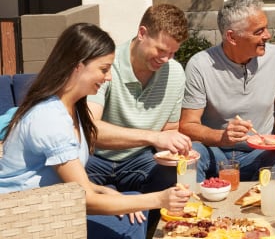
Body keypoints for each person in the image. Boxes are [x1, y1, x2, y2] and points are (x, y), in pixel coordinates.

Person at [0, 23, 191, 239]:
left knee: (132, 211)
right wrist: (159, 199)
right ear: (77, 66)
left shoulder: (72, 109)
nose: (109, 77)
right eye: (103, 69)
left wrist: (104, 190)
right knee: (130, 223)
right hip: (22, 220)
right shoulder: (50, 117)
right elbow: (84, 200)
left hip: (48, 207)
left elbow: (70, 183)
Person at [85, 4, 192, 232]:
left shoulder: (175, 73)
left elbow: (169, 132)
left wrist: (177, 149)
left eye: (173, 53)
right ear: (142, 33)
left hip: (139, 162)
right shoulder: (106, 65)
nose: (166, 59)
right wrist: (153, 137)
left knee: (179, 172)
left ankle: (158, 233)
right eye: (161, 50)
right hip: (95, 159)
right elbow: (90, 130)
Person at [180, 0, 275, 182]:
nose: (268, 35)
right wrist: (221, 137)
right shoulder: (200, 64)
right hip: (215, 153)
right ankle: (194, 209)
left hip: (259, 153)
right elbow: (187, 125)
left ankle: (268, 208)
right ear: (232, 37)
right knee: (191, 155)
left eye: (266, 28)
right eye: (259, 31)